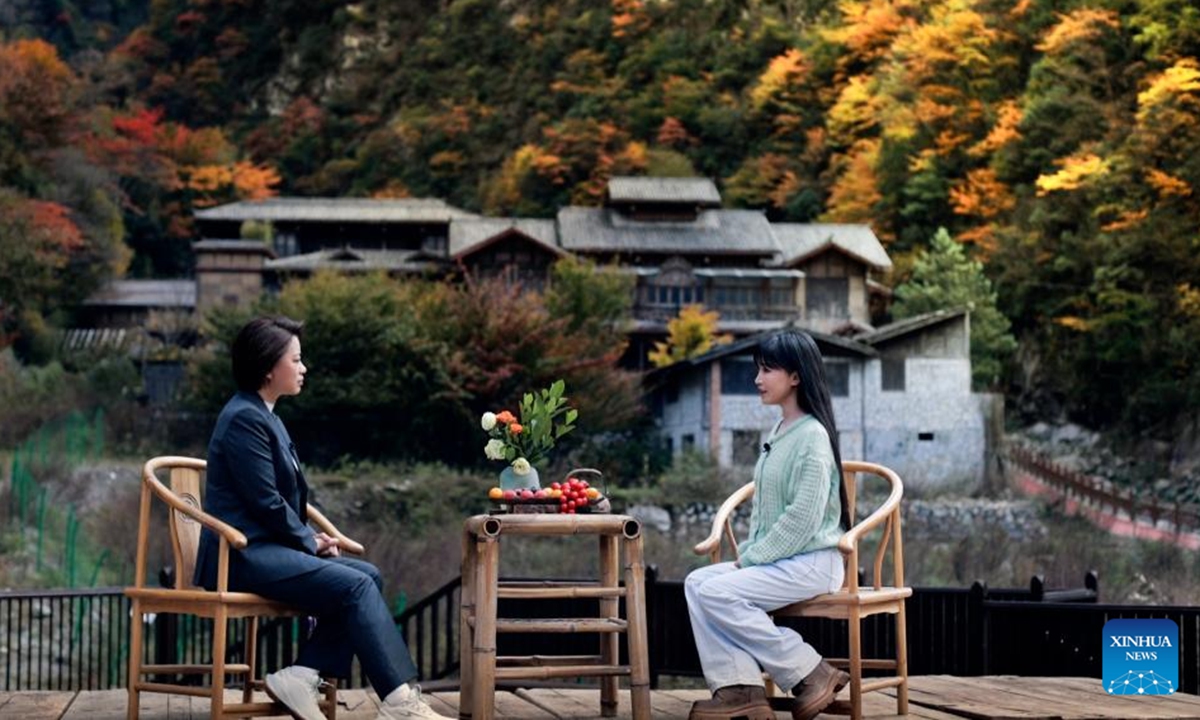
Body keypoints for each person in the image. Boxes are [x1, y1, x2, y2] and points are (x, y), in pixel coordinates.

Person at [193, 316, 447, 720]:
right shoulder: (244, 418)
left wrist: (309, 538)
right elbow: (265, 502)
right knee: (355, 585)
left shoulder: (266, 415)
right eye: (295, 360)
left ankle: (303, 673)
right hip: (240, 556)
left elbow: (280, 503)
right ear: (267, 367)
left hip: (266, 549)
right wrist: (308, 541)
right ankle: (399, 701)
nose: (304, 368)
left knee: (368, 576)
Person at [684, 330, 852, 720]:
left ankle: (811, 671)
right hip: (783, 560)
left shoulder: (812, 436)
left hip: (813, 561)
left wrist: (751, 558)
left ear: (795, 376)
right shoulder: (780, 432)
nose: (757, 379)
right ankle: (740, 689)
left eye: (767, 370)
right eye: (758, 370)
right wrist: (754, 556)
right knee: (696, 582)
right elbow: (771, 514)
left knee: (718, 592)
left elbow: (802, 519)